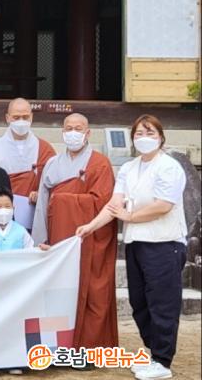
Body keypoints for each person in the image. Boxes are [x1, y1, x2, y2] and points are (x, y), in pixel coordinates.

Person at [77, 115, 187, 380]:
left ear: (161, 138)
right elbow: (115, 205)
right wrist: (91, 226)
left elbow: (163, 205)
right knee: (140, 302)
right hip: (136, 243)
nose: (144, 138)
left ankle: (162, 360)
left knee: (162, 304)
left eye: (150, 133)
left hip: (164, 243)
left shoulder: (169, 167)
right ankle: (154, 353)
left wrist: (131, 217)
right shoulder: (129, 168)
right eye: (139, 134)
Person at [32, 113, 118, 352]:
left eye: (78, 129)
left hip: (90, 239)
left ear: (87, 133)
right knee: (59, 291)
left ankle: (89, 348)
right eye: (68, 128)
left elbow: (103, 203)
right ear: (62, 132)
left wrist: (63, 200)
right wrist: (41, 238)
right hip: (59, 237)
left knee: (91, 290)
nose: (73, 133)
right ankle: (59, 347)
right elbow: (42, 204)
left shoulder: (100, 163)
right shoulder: (52, 163)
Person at [0, 186, 46, 379]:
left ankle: (14, 360)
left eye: (7, 206)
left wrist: (43, 251)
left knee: (14, 322)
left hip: (15, 285)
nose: (3, 210)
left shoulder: (21, 231)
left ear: (13, 208)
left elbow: (31, 252)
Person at [0, 98, 55, 206]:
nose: (21, 121)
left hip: (34, 208)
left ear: (31, 117)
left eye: (25, 117)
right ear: (7, 118)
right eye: (16, 117)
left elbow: (53, 182)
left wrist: (40, 194)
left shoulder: (45, 148)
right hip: (2, 208)